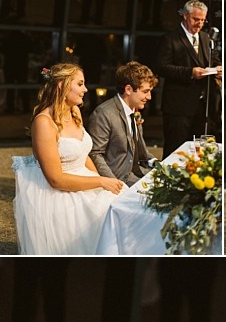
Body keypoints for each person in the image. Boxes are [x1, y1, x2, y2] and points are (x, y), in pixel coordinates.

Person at [12, 63, 124, 256]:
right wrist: (100, 182)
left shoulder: (74, 112)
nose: (85, 89)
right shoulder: (44, 122)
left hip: (85, 181)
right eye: (80, 84)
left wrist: (102, 184)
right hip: (60, 192)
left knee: (119, 203)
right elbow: (56, 179)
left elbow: (82, 154)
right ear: (62, 86)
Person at [156, 1, 221, 157]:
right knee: (175, 151)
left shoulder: (206, 38)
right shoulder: (170, 38)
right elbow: (161, 67)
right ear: (185, 16)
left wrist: (218, 69)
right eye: (195, 19)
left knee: (199, 152)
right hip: (178, 106)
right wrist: (190, 72)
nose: (199, 24)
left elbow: (214, 60)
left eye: (202, 20)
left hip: (203, 106)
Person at [88, 60, 158, 186]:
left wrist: (156, 163)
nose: (149, 97)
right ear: (128, 89)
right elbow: (95, 154)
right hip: (117, 179)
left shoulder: (135, 112)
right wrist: (114, 183)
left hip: (137, 173)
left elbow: (140, 151)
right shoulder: (103, 113)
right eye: (145, 91)